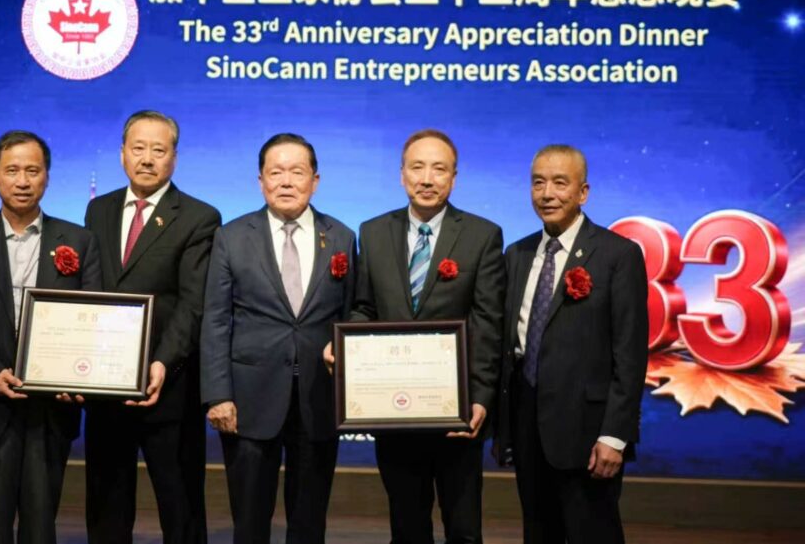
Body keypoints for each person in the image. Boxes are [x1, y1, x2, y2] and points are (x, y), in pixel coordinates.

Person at [0, 130, 101, 544]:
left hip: (50, 411)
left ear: (47, 177)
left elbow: (91, 319)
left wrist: (74, 375)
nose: (22, 181)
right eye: (12, 171)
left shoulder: (78, 241)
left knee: (41, 528)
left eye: (32, 170)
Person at [345, 129, 505, 544]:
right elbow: (364, 308)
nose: (427, 179)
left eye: (439, 169)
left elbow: (488, 322)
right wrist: (345, 348)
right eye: (417, 168)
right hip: (394, 411)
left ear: (454, 177)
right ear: (402, 175)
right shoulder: (373, 232)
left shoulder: (482, 235)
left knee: (463, 528)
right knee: (407, 527)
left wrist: (480, 397)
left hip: (456, 412)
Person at [201, 133, 355, 544]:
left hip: (318, 398)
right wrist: (218, 395)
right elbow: (216, 319)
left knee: (309, 522)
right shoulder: (232, 236)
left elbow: (350, 315)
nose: (286, 181)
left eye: (297, 172)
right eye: (276, 172)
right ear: (261, 181)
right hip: (249, 399)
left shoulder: (341, 237)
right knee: (250, 522)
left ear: (315, 181)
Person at [495, 144, 647, 544]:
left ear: (583, 192)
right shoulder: (517, 254)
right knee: (537, 533)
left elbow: (630, 355)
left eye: (560, 183)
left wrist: (615, 435)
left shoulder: (618, 255)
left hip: (588, 434)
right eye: (538, 183)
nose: (547, 194)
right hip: (527, 429)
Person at [83, 111, 220, 544]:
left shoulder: (199, 217)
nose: (147, 159)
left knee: (180, 506)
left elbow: (193, 303)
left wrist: (162, 361)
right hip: (105, 387)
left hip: (169, 387)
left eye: (158, 150)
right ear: (122, 154)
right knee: (106, 504)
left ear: (174, 157)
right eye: (138, 148)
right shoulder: (98, 209)